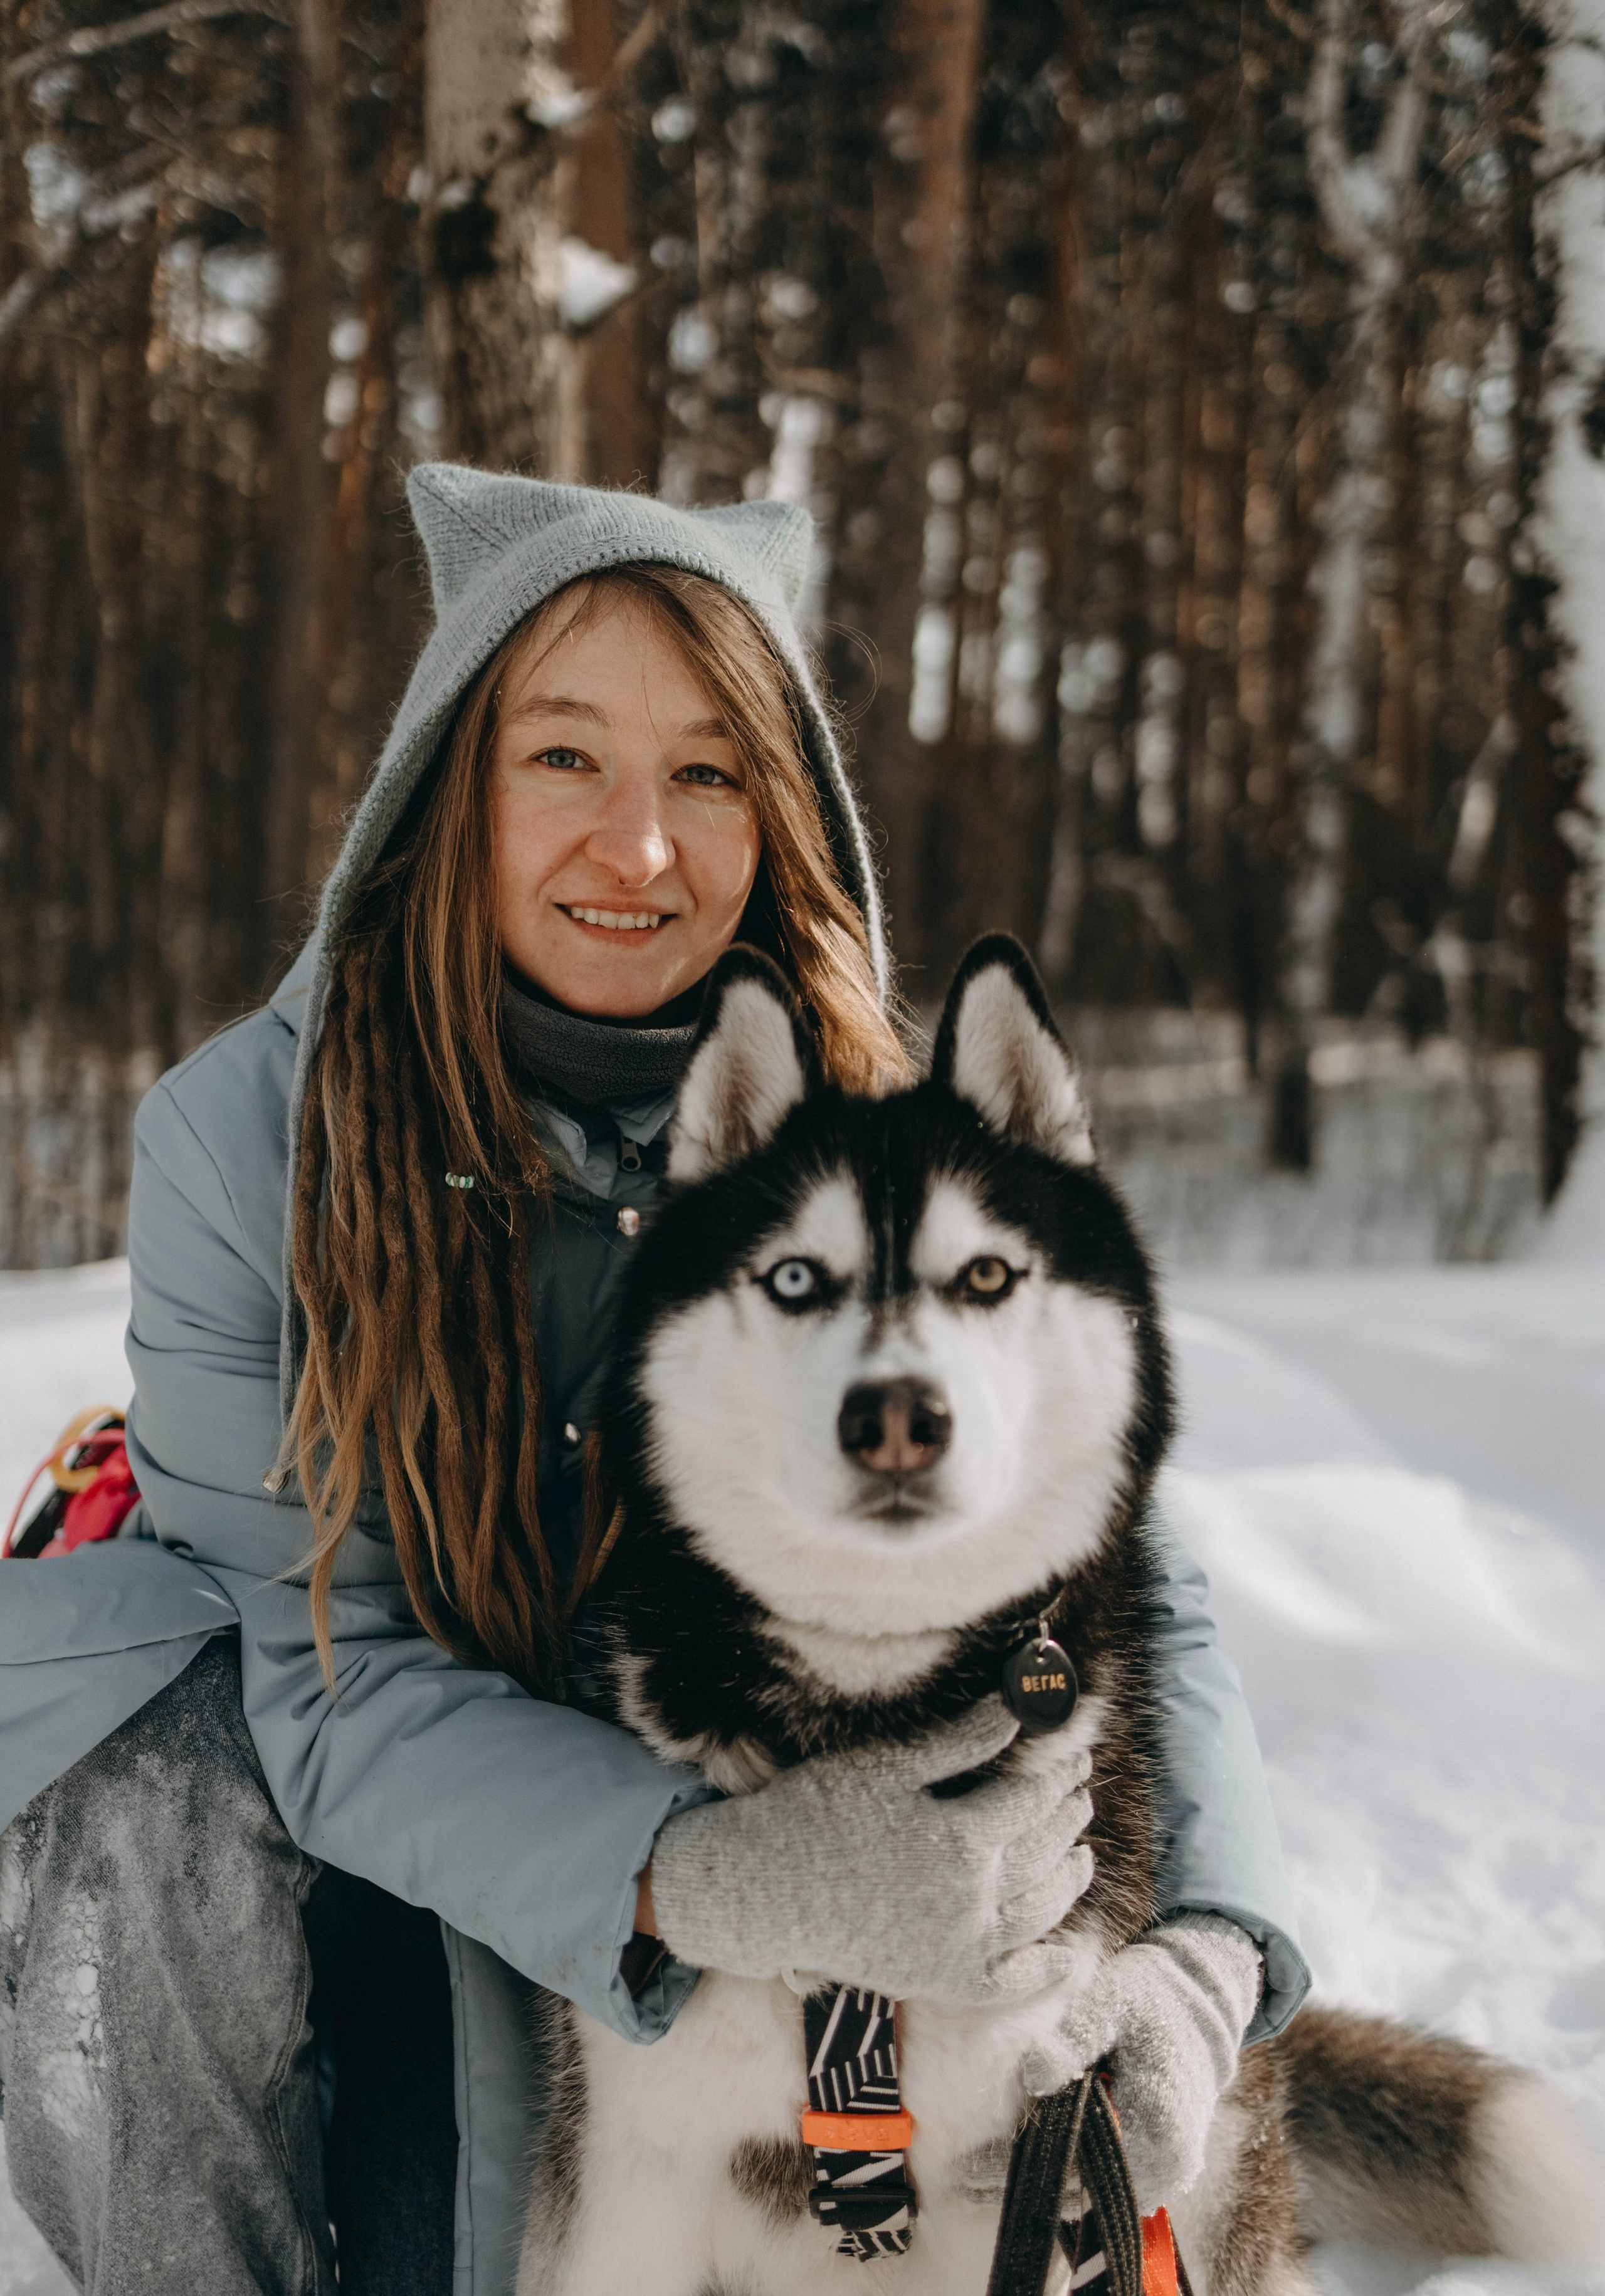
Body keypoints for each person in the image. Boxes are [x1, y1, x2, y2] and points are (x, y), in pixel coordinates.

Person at [0, 469, 1308, 2295]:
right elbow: (318, 1678)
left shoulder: (873, 1122)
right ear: (448, 785)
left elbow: (1113, 1566)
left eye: (705, 773)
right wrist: (706, 1877)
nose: (640, 850)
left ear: (777, 813)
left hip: (835, 1900)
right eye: (562, 760)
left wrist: (1205, 1963)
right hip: (405, 1879)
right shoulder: (253, 1144)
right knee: (158, 1746)